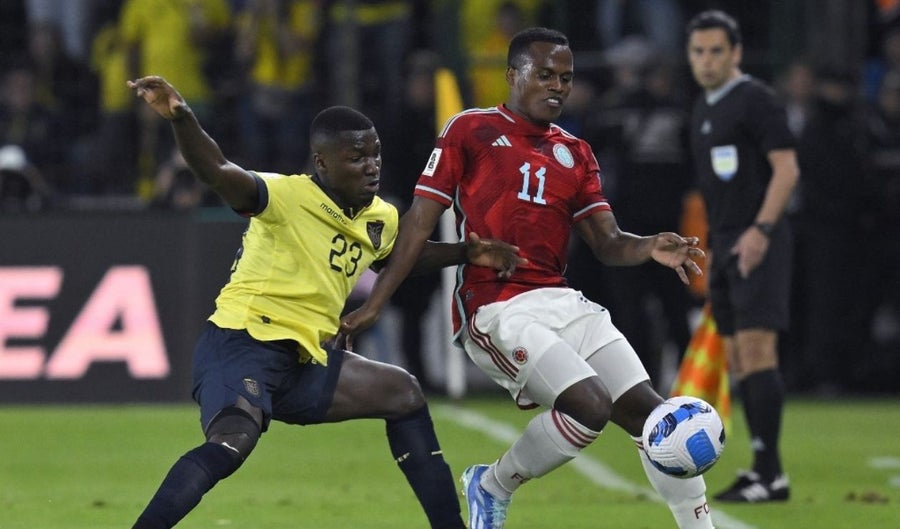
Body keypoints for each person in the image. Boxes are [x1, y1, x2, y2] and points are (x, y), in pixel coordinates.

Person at [339, 27, 715, 529]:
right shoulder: (469, 130)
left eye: (566, 78)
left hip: (562, 301)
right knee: (589, 406)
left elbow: (607, 243)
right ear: (513, 75)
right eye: (545, 75)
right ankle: (493, 484)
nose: (557, 86)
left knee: (658, 421)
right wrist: (376, 302)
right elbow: (418, 224)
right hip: (496, 306)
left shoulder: (575, 152)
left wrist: (648, 246)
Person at [125, 75, 524, 529]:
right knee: (232, 442)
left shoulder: (379, 216)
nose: (371, 167)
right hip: (242, 344)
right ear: (322, 163)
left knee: (403, 393)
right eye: (356, 158)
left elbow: (402, 258)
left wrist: (465, 252)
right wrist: (182, 116)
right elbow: (216, 170)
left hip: (302, 361)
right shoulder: (285, 196)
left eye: (375, 154)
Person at [685, 10, 800, 502]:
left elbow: (787, 169)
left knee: (757, 350)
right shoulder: (703, 108)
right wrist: (714, 245)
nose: (707, 61)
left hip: (759, 242)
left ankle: (771, 472)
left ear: (735, 53)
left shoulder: (756, 100)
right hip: (726, 242)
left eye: (716, 51)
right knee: (735, 356)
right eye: (698, 52)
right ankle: (761, 470)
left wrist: (762, 230)